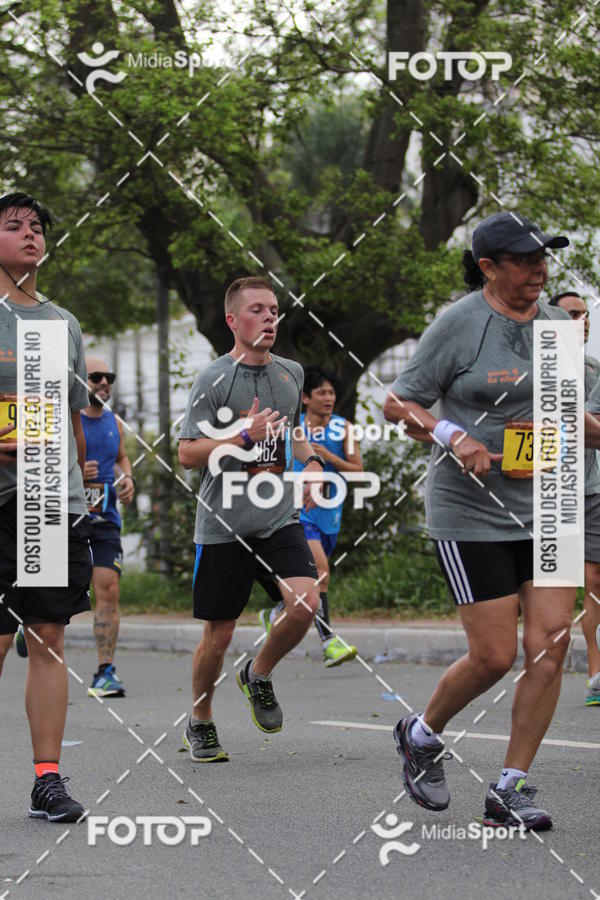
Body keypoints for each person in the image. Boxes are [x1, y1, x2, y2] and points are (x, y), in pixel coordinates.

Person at [384, 211, 600, 831]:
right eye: (525, 260)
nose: (540, 270)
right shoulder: (459, 324)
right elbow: (398, 402)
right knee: (494, 656)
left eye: (544, 258)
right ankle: (422, 734)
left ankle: (510, 787)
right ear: (488, 267)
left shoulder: (557, 326)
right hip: (472, 512)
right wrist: (453, 436)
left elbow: (570, 416)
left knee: (552, 643)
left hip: (550, 505)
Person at [178, 275, 324, 762]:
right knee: (219, 634)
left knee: (305, 604)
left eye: (274, 310)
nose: (268, 318)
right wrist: (242, 435)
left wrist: (312, 464)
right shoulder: (214, 379)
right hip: (224, 523)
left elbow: (294, 431)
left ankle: (257, 673)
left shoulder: (291, 373)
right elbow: (187, 453)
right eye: (257, 310)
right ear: (232, 320)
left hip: (277, 515)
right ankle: (200, 720)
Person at [0, 192, 92, 821]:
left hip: (51, 502)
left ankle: (47, 779)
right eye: (14, 226)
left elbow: (72, 417)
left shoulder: (63, 324)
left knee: (48, 635)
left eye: (37, 227)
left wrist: (80, 493)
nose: (31, 234)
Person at [258, 366, 362, 666]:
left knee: (311, 579)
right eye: (321, 393)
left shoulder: (344, 428)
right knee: (321, 571)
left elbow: (359, 471)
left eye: (332, 393)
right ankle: (329, 641)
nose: (328, 398)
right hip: (298, 512)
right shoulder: (295, 429)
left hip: (330, 514)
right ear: (305, 398)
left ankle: (277, 611)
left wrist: (329, 458)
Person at [548, 292, 600, 705]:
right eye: (571, 314)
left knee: (596, 580)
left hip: (592, 489)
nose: (581, 320)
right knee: (559, 588)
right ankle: (547, 669)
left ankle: (596, 675)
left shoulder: (594, 370)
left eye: (584, 314)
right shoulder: (535, 369)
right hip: (552, 493)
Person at [81, 358, 134, 697]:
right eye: (96, 377)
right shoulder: (64, 419)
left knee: (108, 588)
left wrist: (127, 477)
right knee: (54, 595)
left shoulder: (113, 421)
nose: (104, 383)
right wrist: (74, 470)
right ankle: (29, 625)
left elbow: (120, 457)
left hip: (104, 520)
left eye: (109, 377)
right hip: (65, 520)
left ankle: (105, 672)